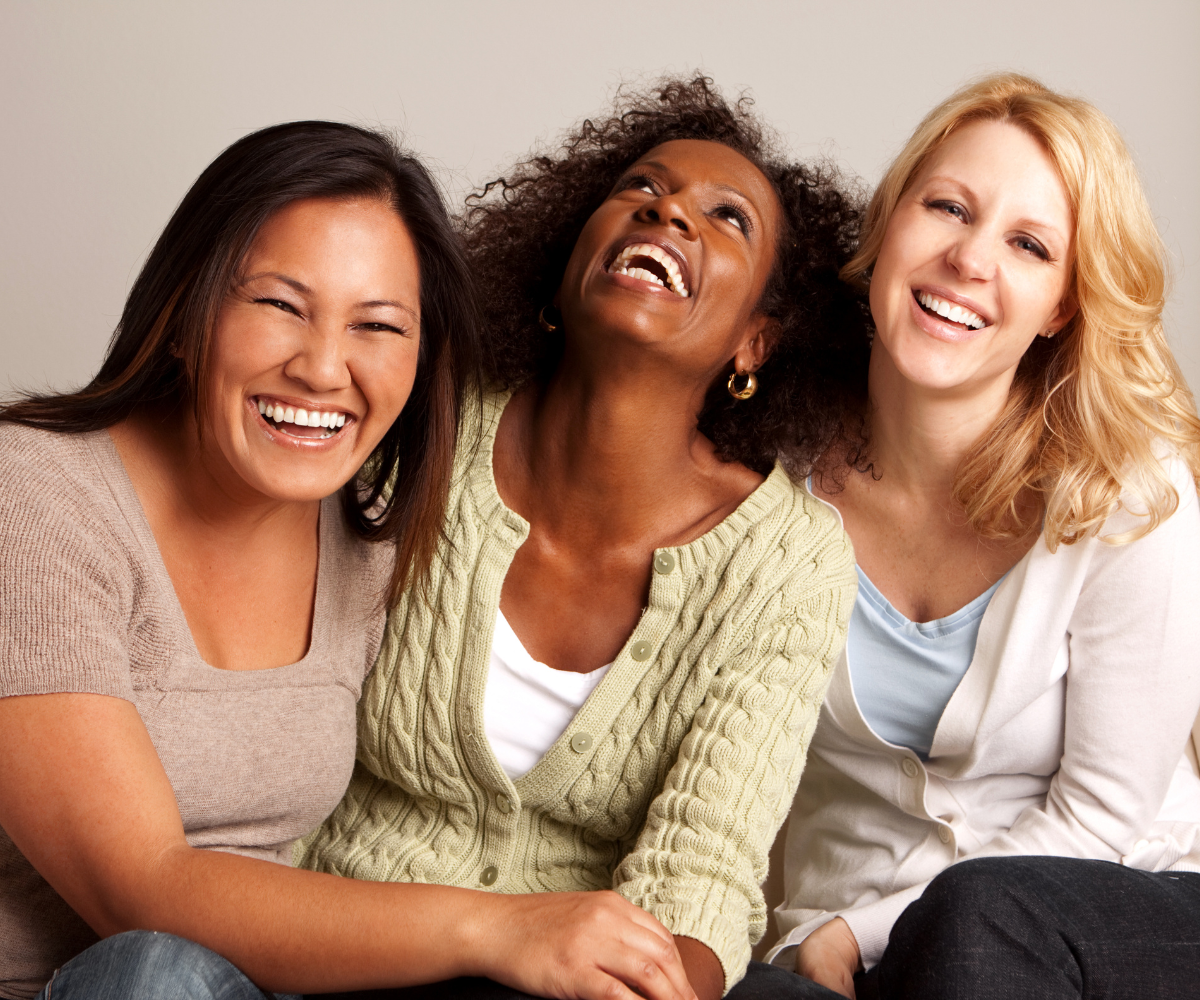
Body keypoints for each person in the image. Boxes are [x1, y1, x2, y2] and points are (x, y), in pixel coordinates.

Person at [0, 121, 699, 1000]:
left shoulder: (368, 533)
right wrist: (497, 927)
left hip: (279, 982)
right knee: (155, 969)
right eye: (280, 306)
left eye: (377, 325)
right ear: (183, 312)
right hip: (101, 985)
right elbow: (143, 888)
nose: (324, 369)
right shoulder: (34, 495)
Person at [301, 78, 868, 1000]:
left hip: (579, 981)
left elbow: (704, 871)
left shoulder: (788, 562)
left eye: (727, 217)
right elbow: (283, 737)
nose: (669, 211)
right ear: (563, 268)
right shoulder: (423, 424)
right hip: (350, 942)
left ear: (755, 345)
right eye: (642, 187)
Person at [764, 74, 1200, 999]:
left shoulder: (1125, 490)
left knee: (975, 926)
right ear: (887, 226)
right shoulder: (770, 476)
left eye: (1029, 245)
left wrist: (862, 930)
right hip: (843, 943)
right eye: (948, 208)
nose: (969, 258)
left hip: (1125, 906)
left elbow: (1103, 819)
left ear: (1061, 308)